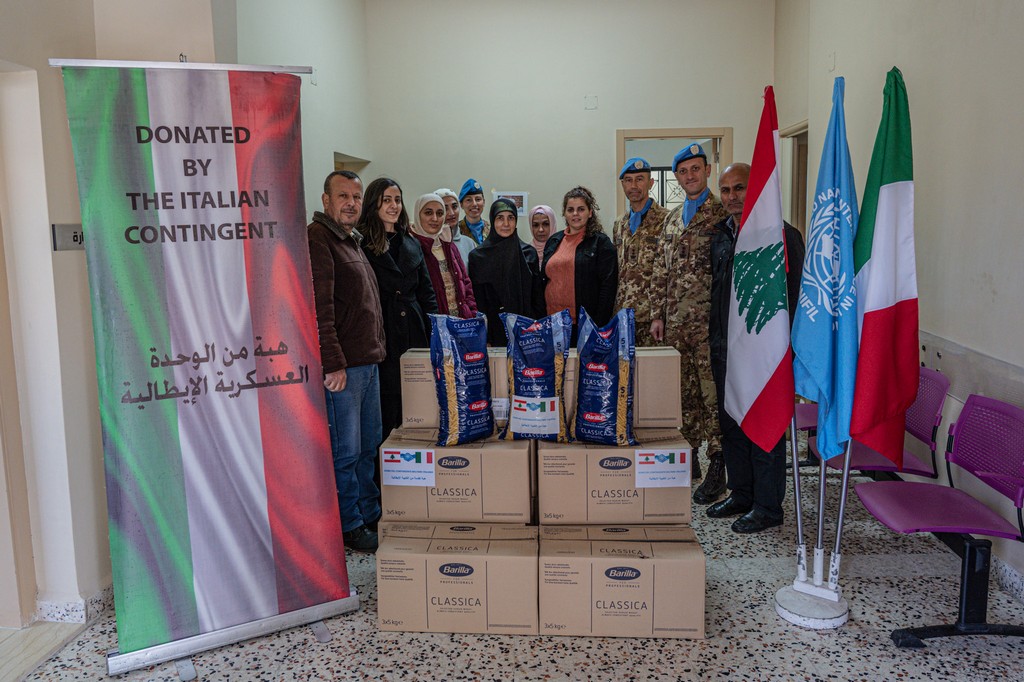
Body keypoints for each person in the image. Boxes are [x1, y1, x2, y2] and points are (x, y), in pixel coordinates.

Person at [707, 163, 805, 533]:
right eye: (726, 190)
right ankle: (742, 493)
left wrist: (787, 351)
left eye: (740, 188)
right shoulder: (721, 234)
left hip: (765, 351)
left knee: (763, 424)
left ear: (756, 189)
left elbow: (794, 296)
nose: (732, 196)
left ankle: (768, 506)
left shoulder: (780, 235)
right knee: (732, 422)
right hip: (726, 348)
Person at [307, 170, 384, 552]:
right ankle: (350, 524)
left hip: (367, 363)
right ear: (326, 201)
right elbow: (319, 308)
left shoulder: (350, 241)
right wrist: (331, 362)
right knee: (347, 451)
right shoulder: (319, 238)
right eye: (343, 196)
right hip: (344, 370)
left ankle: (370, 514)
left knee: (369, 445)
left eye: (356, 196)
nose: (351, 203)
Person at [649, 143, 728, 501]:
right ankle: (690, 453)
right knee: (684, 395)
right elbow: (659, 272)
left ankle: (719, 462)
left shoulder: (722, 214)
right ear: (677, 176)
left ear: (707, 170)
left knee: (712, 396)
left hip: (710, 325)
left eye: (696, 169)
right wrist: (657, 316)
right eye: (683, 171)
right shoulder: (672, 217)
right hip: (676, 324)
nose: (690, 176)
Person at [358, 178, 438, 440]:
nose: (394, 206)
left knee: (415, 399)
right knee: (386, 403)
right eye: (387, 200)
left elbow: (427, 294)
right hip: (383, 331)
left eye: (397, 200)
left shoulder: (411, 242)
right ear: (374, 204)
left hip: (414, 330)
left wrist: (435, 331)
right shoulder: (361, 242)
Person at [542, 186, 618, 343]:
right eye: (570, 209)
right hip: (552, 323)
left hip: (584, 326)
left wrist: (597, 326)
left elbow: (608, 287)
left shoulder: (601, 243)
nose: (575, 214)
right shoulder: (553, 241)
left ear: (590, 213)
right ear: (564, 213)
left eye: (581, 209)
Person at [468, 197, 544, 346]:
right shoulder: (478, 256)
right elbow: (479, 302)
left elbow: (537, 299)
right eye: (500, 218)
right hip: (494, 329)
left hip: (526, 328)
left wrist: (538, 329)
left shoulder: (528, 253)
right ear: (492, 220)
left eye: (511, 218)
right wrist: (485, 337)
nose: (506, 224)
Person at [613, 157, 669, 347]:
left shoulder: (667, 220)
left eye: (640, 179)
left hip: (651, 317)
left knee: (653, 373)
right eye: (628, 180)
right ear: (622, 185)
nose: (634, 185)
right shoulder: (619, 224)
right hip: (622, 315)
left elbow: (668, 271)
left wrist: (658, 315)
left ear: (650, 182)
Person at [411, 192, 477, 319]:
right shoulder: (411, 247)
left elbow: (466, 283)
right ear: (418, 215)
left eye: (440, 213)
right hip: (432, 327)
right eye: (428, 213)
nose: (435, 218)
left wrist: (472, 313)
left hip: (461, 323)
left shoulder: (449, 244)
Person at [436, 187, 475, 265]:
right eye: (445, 208)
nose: (451, 213)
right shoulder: (432, 244)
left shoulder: (468, 243)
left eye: (454, 207)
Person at [457, 178, 489, 246]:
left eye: (478, 199)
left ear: (484, 202)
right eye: (469, 200)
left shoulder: (493, 229)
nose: (474, 204)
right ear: (461, 205)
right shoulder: (456, 231)